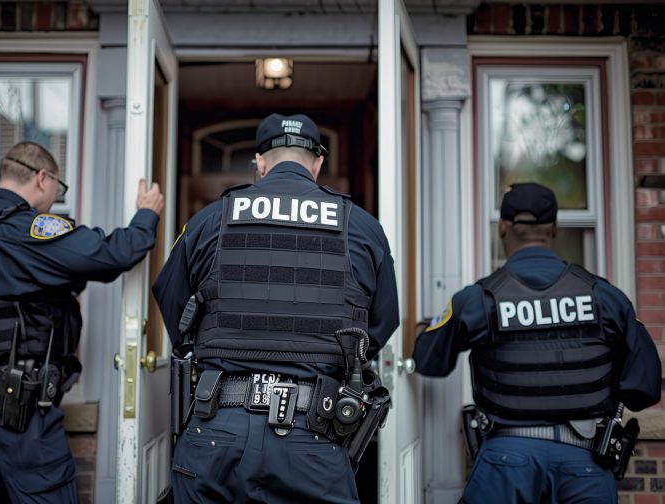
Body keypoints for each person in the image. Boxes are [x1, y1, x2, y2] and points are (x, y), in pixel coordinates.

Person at [152, 113, 400, 503]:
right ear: (318, 164)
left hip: (217, 428)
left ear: (260, 162)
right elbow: (382, 324)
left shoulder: (211, 219)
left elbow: (170, 297)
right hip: (314, 432)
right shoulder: (363, 227)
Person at [413, 182, 662, 503]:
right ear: (555, 228)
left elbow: (429, 361)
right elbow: (644, 389)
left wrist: (425, 329)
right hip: (585, 465)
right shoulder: (605, 297)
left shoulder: (479, 299)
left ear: (502, 227)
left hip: (506, 464)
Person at [0, 141, 164, 503]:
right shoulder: (22, 232)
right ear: (43, 178)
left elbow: (28, 289)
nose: (55, 197)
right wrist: (147, 215)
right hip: (18, 413)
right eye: (58, 189)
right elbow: (114, 253)